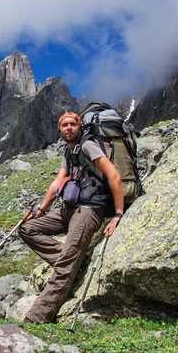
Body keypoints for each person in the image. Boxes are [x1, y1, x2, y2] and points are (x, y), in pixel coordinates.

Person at [18, 111, 124, 324]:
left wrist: (118, 214)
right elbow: (57, 183)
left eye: (72, 124)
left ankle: (37, 317)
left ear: (79, 126)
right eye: (64, 125)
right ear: (59, 129)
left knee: (67, 260)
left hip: (89, 210)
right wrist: (41, 209)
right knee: (26, 228)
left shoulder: (87, 146)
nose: (68, 128)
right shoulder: (69, 151)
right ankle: (74, 260)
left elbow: (114, 176)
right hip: (69, 209)